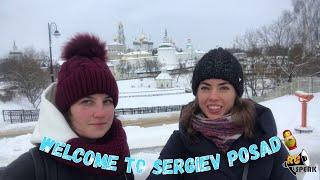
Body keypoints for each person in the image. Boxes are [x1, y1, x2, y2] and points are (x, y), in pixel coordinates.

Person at [147, 48, 296, 180]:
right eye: (205, 88)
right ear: (197, 93)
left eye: (223, 88)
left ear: (236, 94)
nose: (213, 96)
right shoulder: (180, 143)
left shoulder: (266, 141)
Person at [1, 33, 133, 180]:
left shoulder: (119, 152)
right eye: (87, 102)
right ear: (66, 109)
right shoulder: (34, 168)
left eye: (107, 101)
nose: (100, 113)